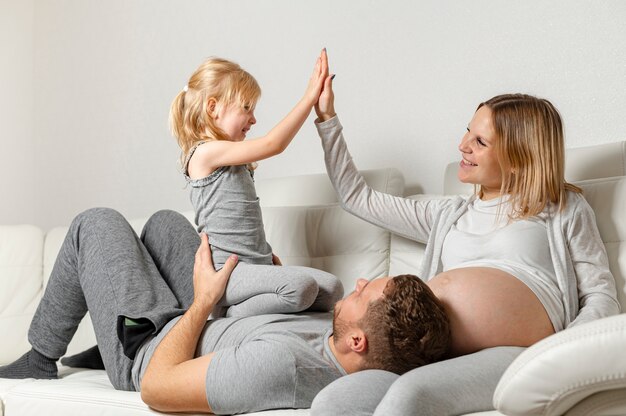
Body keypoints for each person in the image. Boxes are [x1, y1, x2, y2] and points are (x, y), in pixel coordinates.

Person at [310, 54, 620, 415]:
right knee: (333, 401)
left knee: (410, 396)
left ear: (519, 158)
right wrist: (327, 119)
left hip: (518, 355)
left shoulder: (561, 208)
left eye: (480, 141)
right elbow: (356, 197)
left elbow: (600, 294)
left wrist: (562, 351)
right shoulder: (447, 214)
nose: (462, 145)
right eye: (467, 131)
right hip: (428, 355)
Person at [0, 208, 450, 415]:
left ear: (359, 342)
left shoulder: (282, 367)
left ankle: (41, 359)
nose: (358, 282)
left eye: (366, 292)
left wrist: (203, 300)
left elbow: (158, 387)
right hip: (208, 319)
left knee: (95, 224)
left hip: (152, 348)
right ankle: (106, 333)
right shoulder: (339, 337)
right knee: (165, 224)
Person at [168, 50, 343, 318]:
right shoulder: (203, 153)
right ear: (213, 107)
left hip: (258, 264)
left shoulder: (230, 156)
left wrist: (266, 260)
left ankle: (248, 303)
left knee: (332, 289)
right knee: (300, 288)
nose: (253, 119)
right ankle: (226, 314)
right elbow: (274, 144)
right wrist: (308, 99)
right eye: (246, 108)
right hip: (229, 273)